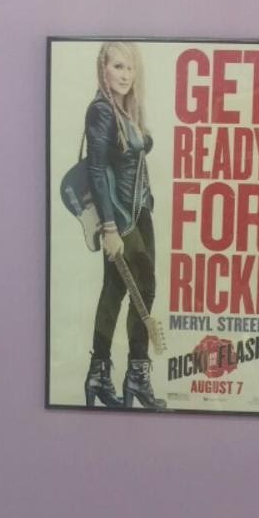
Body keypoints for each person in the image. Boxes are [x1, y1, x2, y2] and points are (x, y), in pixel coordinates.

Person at [82, 41, 164, 410]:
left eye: (130, 68)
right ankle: (133, 374)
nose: (125, 75)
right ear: (103, 69)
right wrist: (110, 228)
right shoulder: (101, 111)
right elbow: (96, 169)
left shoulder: (127, 110)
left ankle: (103, 375)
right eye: (118, 66)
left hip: (140, 211)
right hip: (121, 217)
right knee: (143, 288)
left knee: (117, 290)